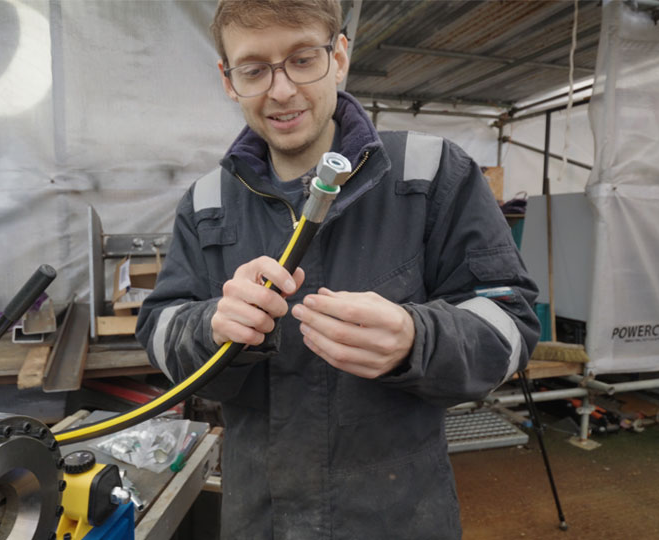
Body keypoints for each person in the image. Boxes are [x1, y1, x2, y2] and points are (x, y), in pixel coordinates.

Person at [136, 1, 541, 538]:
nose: (281, 91)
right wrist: (209, 326)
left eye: (303, 59)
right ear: (228, 80)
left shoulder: (432, 174)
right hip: (262, 520)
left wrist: (417, 339)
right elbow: (160, 324)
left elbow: (511, 318)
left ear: (340, 56)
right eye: (254, 70)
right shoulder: (207, 204)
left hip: (396, 518)